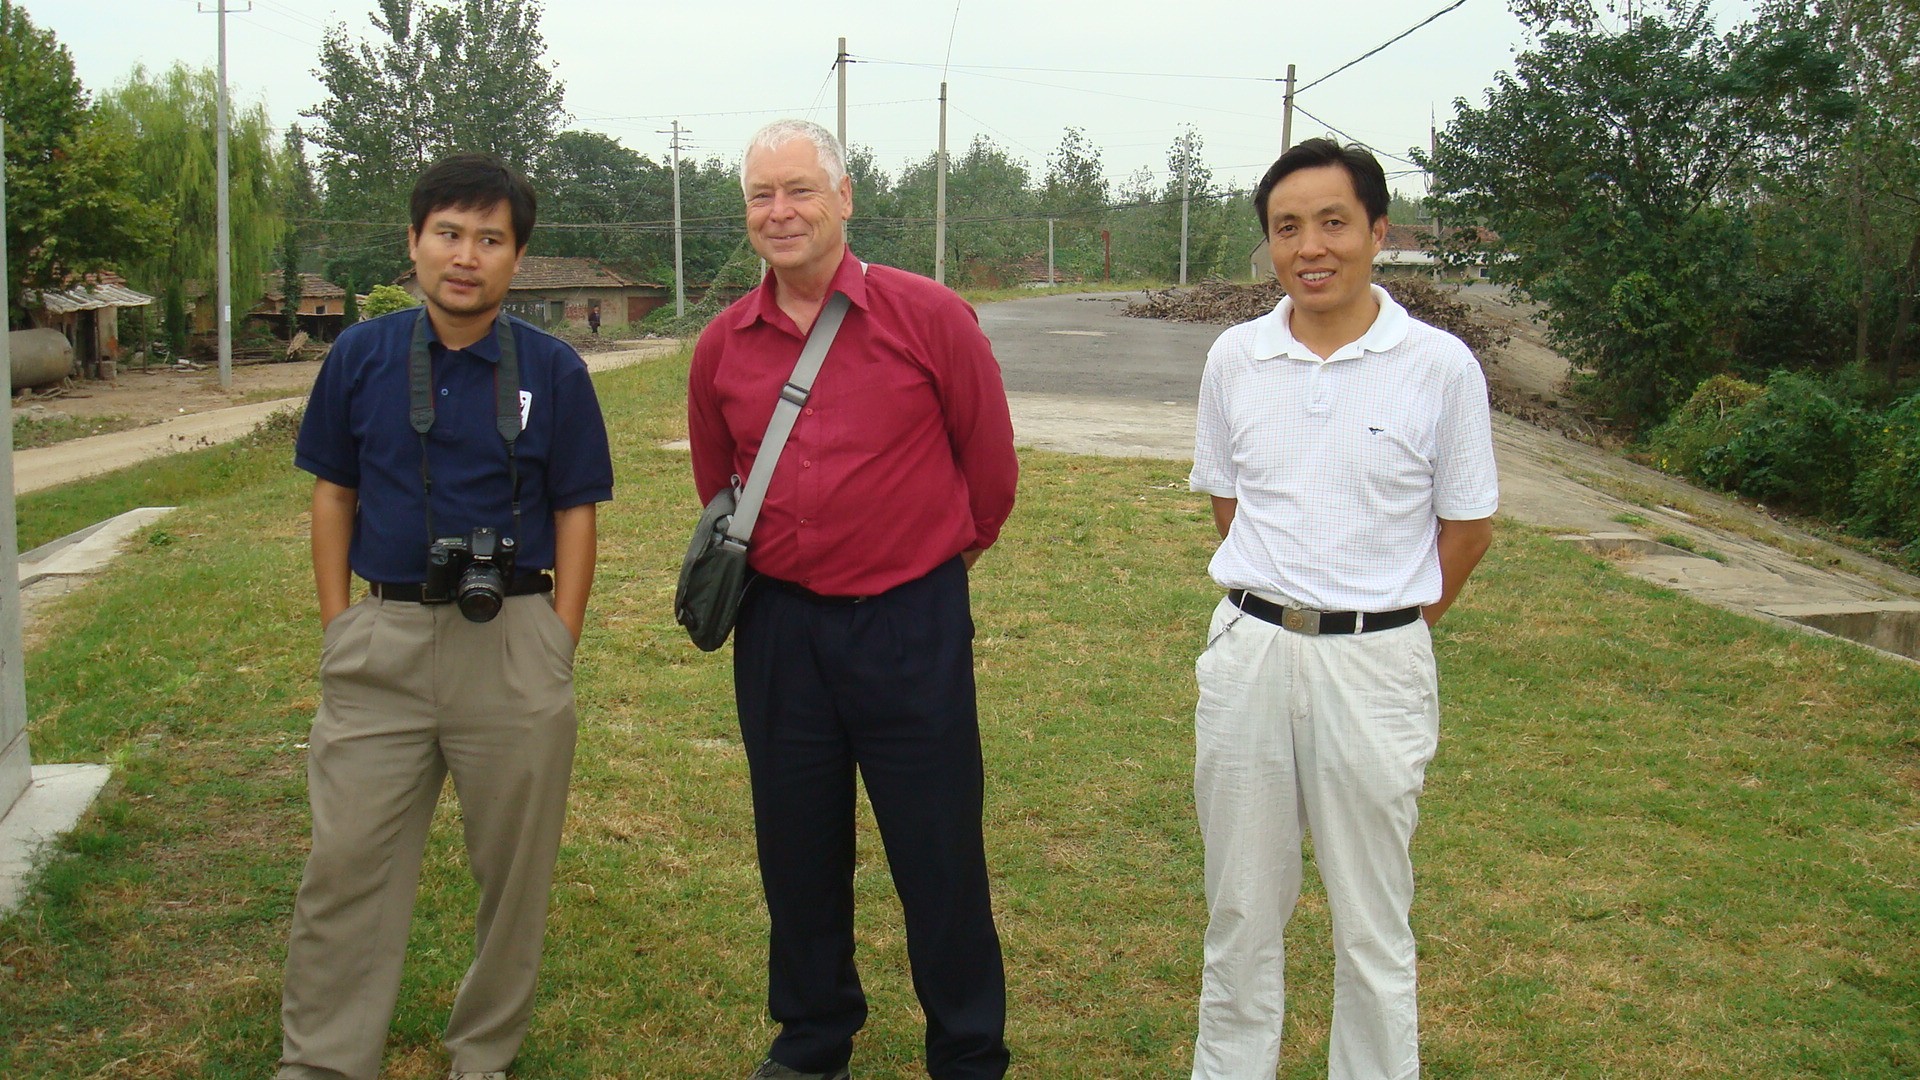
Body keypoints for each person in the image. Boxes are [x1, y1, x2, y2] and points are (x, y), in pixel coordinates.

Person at [686, 118, 1018, 1080]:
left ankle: (966, 1049)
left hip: (909, 622)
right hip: (780, 627)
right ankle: (813, 1036)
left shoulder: (929, 317)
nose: (779, 212)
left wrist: (922, 567)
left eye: (799, 190)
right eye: (761, 195)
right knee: (795, 845)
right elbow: (720, 485)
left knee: (938, 848)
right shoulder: (721, 345)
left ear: (844, 199)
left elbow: (987, 474)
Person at [279, 152, 613, 1080]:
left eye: (491, 239)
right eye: (449, 234)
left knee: (512, 880)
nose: (467, 256)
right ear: (416, 243)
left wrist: (557, 638)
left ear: (518, 258)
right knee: (346, 864)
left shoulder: (555, 369)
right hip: (381, 641)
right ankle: (323, 1061)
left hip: (510, 642)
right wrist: (339, 622)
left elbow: (576, 510)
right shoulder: (360, 355)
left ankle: (482, 1056)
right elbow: (333, 493)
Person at [1187, 138, 1498, 1080]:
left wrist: (1382, 627)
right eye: (1288, 228)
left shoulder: (1439, 367)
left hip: (1377, 665)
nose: (1310, 246)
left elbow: (1467, 527)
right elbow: (1229, 501)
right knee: (1240, 908)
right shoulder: (1237, 357)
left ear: (1377, 232)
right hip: (1250, 652)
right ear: (1270, 244)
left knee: (1372, 920)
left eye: (1333, 222)